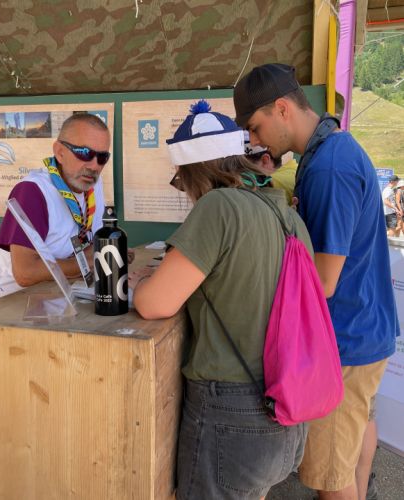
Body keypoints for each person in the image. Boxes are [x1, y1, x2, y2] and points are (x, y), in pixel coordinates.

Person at [234, 63, 398, 500]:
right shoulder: (333, 149)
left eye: (255, 126)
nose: (255, 140)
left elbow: (323, 281)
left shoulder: (328, 168)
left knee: (330, 476)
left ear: (282, 108)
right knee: (350, 450)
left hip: (343, 341)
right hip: (364, 332)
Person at [132, 100, 312, 500]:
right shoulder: (286, 214)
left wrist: (142, 281)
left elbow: (154, 304)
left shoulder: (218, 207)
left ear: (195, 173)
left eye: (181, 182)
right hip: (285, 411)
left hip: (233, 413)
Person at [0, 113, 111, 302]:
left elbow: (91, 244)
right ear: (60, 152)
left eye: (102, 157)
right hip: (11, 303)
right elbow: (25, 273)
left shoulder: (93, 185)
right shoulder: (33, 192)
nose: (94, 166)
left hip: (60, 296)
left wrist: (107, 251)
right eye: (85, 153)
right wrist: (90, 262)